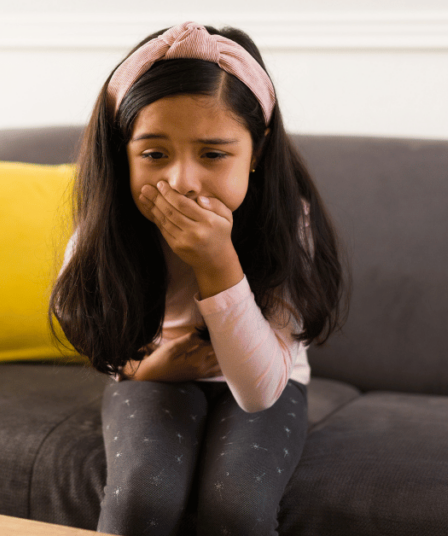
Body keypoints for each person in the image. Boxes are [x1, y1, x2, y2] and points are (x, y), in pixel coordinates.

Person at [50, 21, 346, 536]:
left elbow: (257, 393)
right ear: (123, 152)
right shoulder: (107, 223)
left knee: (236, 508)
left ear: (257, 149)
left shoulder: (288, 220)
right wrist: (144, 369)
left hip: (263, 381)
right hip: (154, 369)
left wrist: (217, 263)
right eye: (154, 154)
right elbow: (95, 331)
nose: (181, 181)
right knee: (141, 499)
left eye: (213, 154)